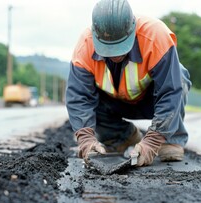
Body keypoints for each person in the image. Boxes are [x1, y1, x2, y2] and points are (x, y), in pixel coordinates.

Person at [66, 0, 192, 167]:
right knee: (87, 107)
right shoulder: (85, 46)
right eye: (108, 48)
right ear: (96, 36)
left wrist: (152, 142)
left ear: (133, 30)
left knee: (180, 76)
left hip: (152, 100)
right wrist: (86, 140)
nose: (115, 55)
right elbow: (79, 98)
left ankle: (170, 138)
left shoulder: (155, 36)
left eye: (120, 46)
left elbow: (171, 91)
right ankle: (123, 136)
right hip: (114, 104)